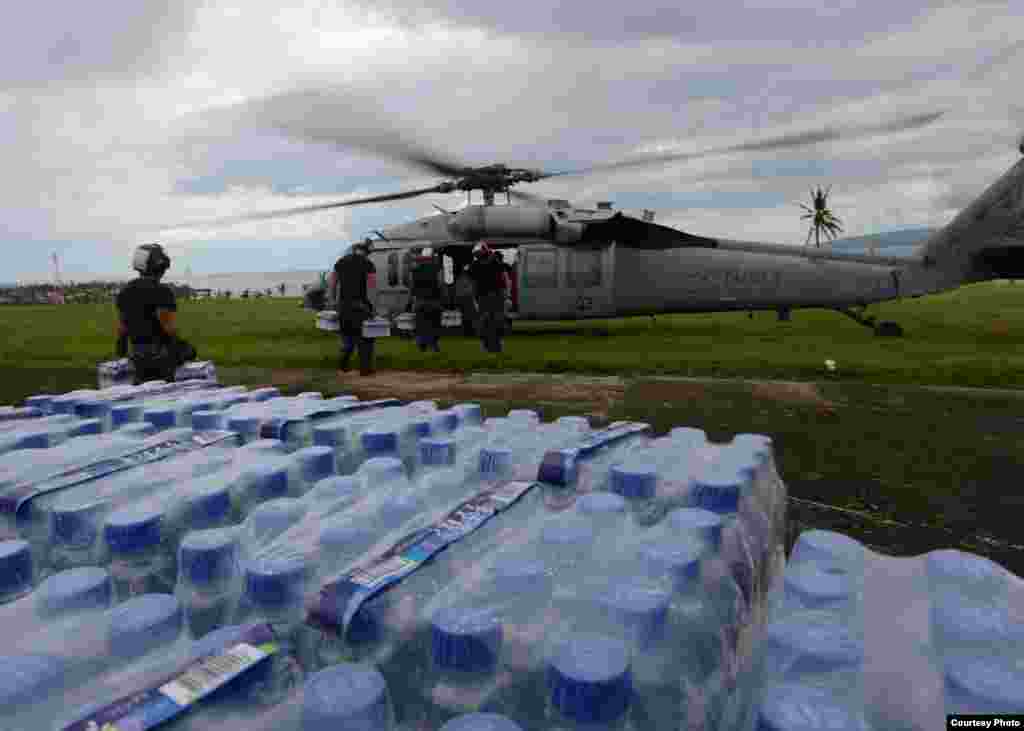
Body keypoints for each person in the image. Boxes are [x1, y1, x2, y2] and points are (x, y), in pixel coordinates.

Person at [115, 243, 197, 384]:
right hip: (160, 354)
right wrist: (184, 347)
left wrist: (121, 349)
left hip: (136, 353)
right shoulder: (162, 291)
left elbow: (122, 327)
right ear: (160, 266)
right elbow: (168, 327)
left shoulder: (125, 290)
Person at [329, 239, 377, 375]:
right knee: (366, 339)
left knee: (347, 338)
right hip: (361, 306)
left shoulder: (340, 262)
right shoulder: (368, 264)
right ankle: (365, 369)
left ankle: (343, 367)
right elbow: (372, 287)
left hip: (344, 306)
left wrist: (333, 302)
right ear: (366, 253)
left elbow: (333, 284)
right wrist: (373, 308)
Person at [468, 243, 510, 353]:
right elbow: (504, 277)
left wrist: (505, 293)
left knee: (491, 321)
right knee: (491, 321)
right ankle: (491, 345)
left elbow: (503, 277)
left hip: (491, 296)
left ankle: (492, 345)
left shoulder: (480, 264)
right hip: (488, 296)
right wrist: (506, 294)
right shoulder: (490, 262)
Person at [410, 251, 443, 353]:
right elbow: (441, 283)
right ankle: (434, 345)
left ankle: (422, 346)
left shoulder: (415, 270)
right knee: (435, 324)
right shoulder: (437, 269)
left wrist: (413, 299)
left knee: (421, 324)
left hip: (420, 301)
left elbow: (412, 286)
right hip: (434, 301)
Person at [454, 266, 477, 337]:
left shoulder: (459, 279)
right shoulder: (466, 279)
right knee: (468, 317)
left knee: (466, 317)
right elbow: (470, 290)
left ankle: (467, 331)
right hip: (466, 299)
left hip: (463, 298)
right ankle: (469, 331)